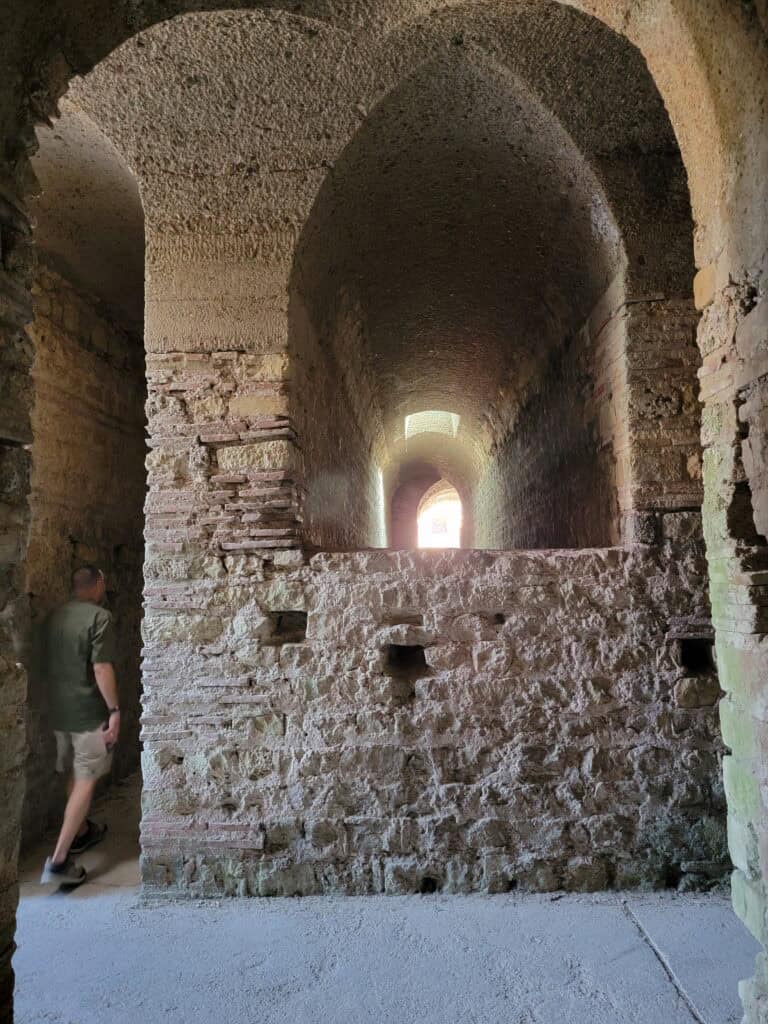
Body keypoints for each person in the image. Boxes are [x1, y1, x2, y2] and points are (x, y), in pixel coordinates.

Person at [38, 566, 120, 886]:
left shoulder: (54, 617)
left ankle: (82, 831)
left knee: (76, 771)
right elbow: (101, 667)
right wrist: (114, 709)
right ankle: (59, 861)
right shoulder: (99, 618)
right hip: (87, 711)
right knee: (87, 778)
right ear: (98, 584)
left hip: (58, 710)